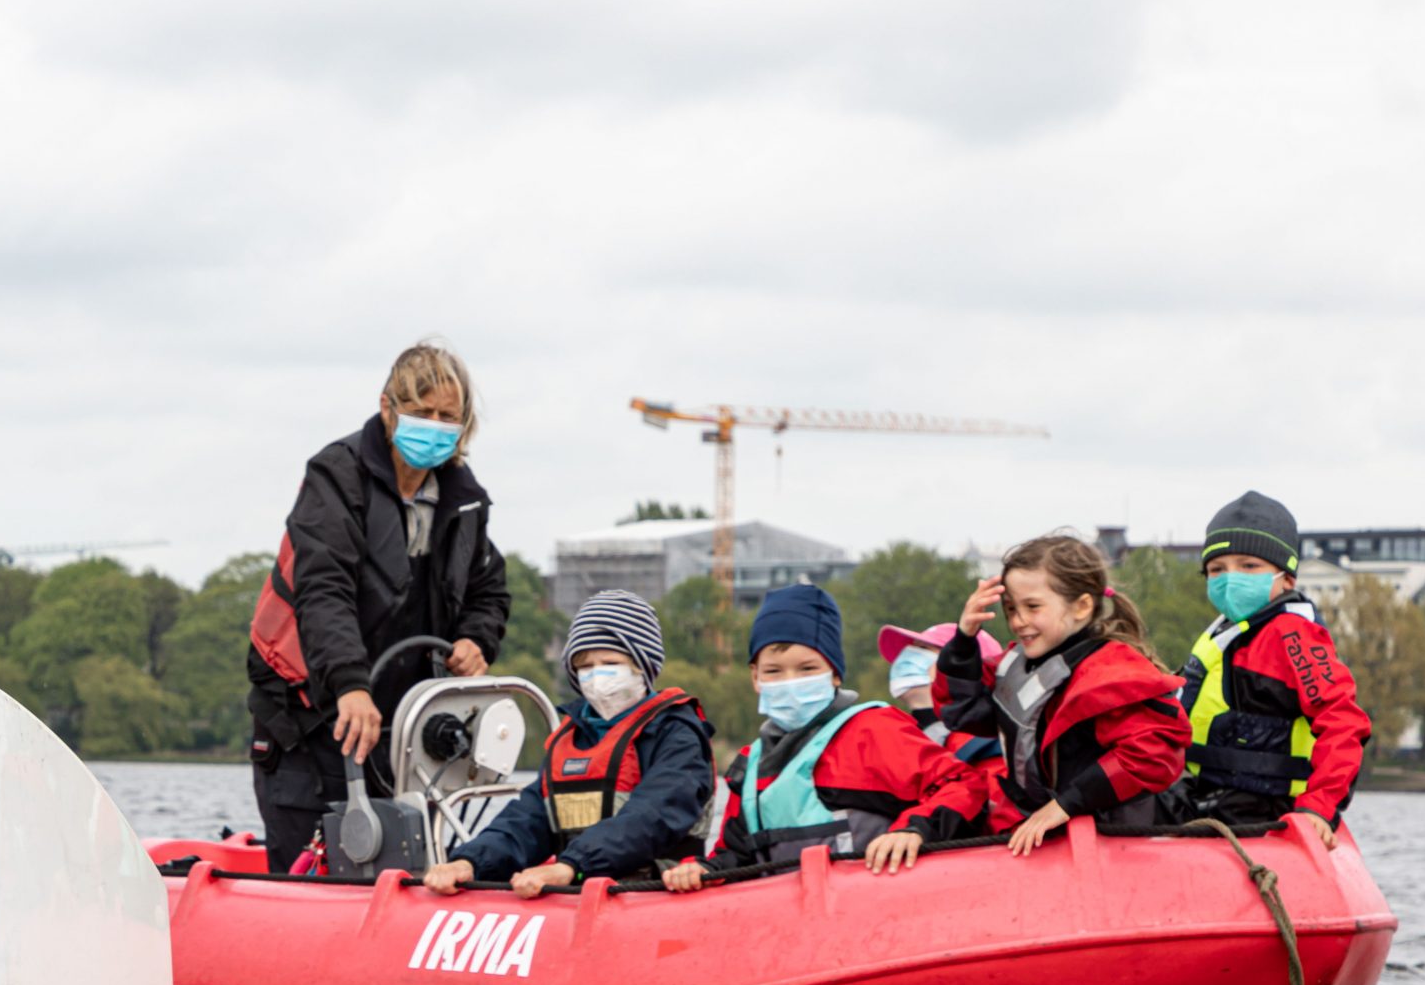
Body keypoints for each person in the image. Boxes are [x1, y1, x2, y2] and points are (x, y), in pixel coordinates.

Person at [246, 342, 513, 872]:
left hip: (402, 725)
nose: (434, 425)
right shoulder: (336, 477)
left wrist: (476, 640)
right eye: (421, 412)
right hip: (311, 714)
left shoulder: (465, 499)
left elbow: (490, 589)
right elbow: (324, 590)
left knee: (404, 857)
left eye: (447, 417)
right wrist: (350, 684)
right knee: (314, 856)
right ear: (389, 408)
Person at [665, 584, 987, 888]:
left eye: (807, 669)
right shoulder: (751, 764)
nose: (790, 681)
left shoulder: (872, 731)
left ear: (834, 673)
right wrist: (705, 870)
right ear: (755, 678)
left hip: (878, 911)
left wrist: (914, 830)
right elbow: (736, 855)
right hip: (796, 926)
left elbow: (963, 785)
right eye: (774, 671)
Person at [420, 589, 713, 899]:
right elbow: (528, 819)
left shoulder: (677, 734)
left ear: (644, 665)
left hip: (654, 894)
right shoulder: (570, 737)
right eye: (585, 666)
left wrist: (572, 865)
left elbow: (652, 815)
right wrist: (471, 861)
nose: (597, 676)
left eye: (610, 662)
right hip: (582, 892)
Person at [935, 535, 1189, 856]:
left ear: (1082, 606)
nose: (1018, 622)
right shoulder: (1016, 664)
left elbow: (1153, 756)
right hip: (1040, 832)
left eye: (1032, 607)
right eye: (1011, 609)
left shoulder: (1111, 671)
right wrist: (962, 641)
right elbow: (962, 713)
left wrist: (1066, 805)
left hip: (1110, 842)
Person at [1163, 491, 1372, 849]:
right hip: (1205, 791)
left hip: (1259, 804)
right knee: (1105, 805)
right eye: (1217, 570)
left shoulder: (1293, 635)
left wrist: (1318, 809)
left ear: (1286, 578)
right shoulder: (1226, 632)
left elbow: (1343, 722)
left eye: (1248, 566)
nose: (1230, 579)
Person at [878, 622, 1002, 764]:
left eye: (923, 648)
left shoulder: (985, 747)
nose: (905, 657)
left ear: (964, 667)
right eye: (909, 649)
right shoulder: (893, 738)